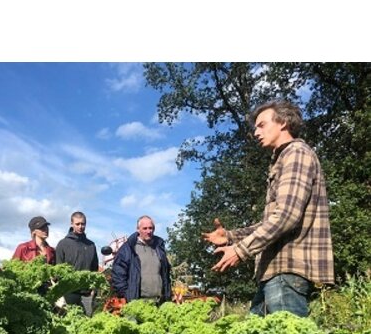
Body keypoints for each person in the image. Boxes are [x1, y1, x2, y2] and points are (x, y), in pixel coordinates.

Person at [202, 100, 334, 317]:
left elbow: (286, 216)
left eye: (261, 125)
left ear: (282, 123)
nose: (256, 132)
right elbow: (272, 219)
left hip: (287, 270)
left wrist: (240, 250)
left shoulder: (296, 153)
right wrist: (230, 236)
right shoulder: (282, 159)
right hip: (274, 272)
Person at [111, 215, 171, 304]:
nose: (148, 231)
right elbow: (118, 274)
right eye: (145, 228)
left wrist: (167, 294)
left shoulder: (159, 248)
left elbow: (166, 274)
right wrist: (124, 295)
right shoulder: (128, 249)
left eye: (151, 228)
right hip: (136, 302)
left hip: (159, 301)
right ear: (138, 229)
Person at [55, 211, 99, 316]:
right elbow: (58, 269)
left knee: (86, 321)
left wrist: (94, 288)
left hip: (86, 294)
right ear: (72, 224)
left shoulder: (91, 245)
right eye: (77, 224)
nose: (80, 227)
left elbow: (94, 269)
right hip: (69, 292)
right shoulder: (63, 244)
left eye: (83, 224)